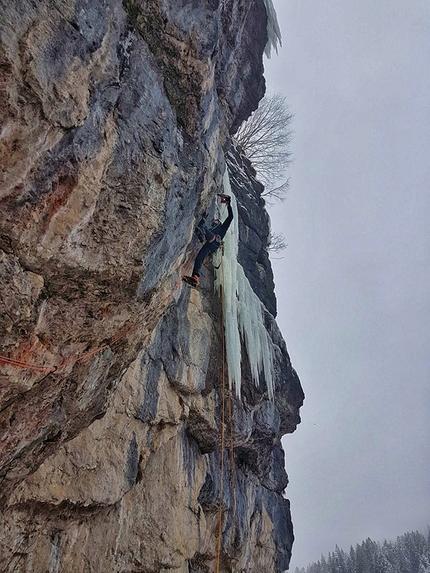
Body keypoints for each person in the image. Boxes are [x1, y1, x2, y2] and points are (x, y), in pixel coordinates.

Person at [183, 194, 233, 287]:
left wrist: (228, 204)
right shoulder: (213, 228)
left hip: (214, 240)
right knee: (199, 259)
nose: (214, 221)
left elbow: (230, 217)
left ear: (219, 222)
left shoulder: (222, 228)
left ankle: (201, 235)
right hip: (210, 246)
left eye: (216, 221)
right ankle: (195, 278)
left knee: (204, 228)